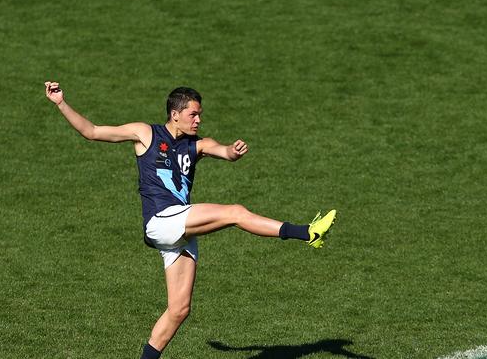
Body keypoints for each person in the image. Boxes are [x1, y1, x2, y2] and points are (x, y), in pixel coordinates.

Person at [44, 82, 337, 359]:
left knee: (179, 309)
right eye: (192, 114)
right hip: (162, 220)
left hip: (181, 230)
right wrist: (61, 103)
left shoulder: (197, 145)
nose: (198, 120)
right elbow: (92, 131)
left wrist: (231, 153)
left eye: (200, 114)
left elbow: (222, 151)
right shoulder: (145, 133)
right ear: (175, 114)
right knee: (235, 212)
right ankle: (307, 232)